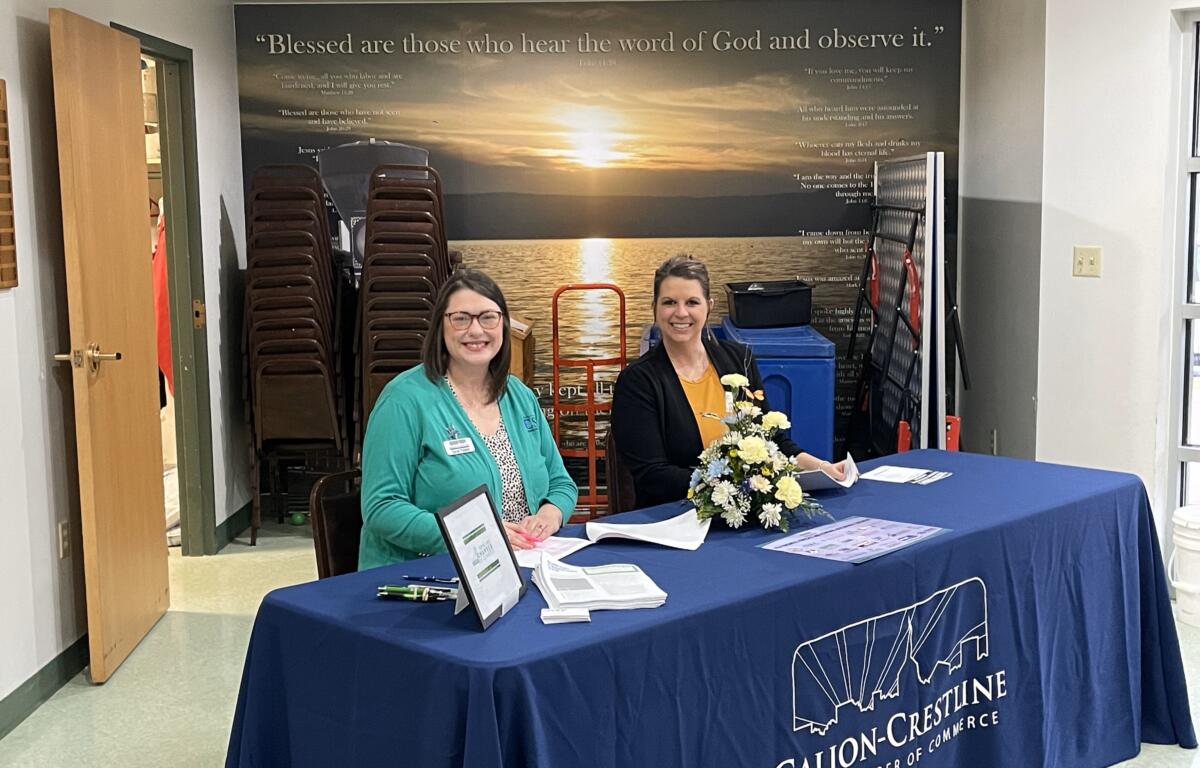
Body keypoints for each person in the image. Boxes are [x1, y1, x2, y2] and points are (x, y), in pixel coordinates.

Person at [359, 269, 577, 569]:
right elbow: (382, 508)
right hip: (427, 574)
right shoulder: (403, 400)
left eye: (488, 317)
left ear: (503, 324)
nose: (476, 330)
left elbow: (561, 483)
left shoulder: (519, 395)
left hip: (523, 563)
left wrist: (550, 514)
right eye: (461, 318)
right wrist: (475, 534)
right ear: (440, 326)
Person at [611, 255, 846, 509]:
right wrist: (736, 486)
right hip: (675, 516)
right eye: (669, 302)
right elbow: (653, 476)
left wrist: (823, 468)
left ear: (709, 306)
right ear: (654, 308)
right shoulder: (637, 381)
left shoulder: (738, 359)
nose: (681, 312)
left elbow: (772, 440)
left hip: (743, 508)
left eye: (692, 302)